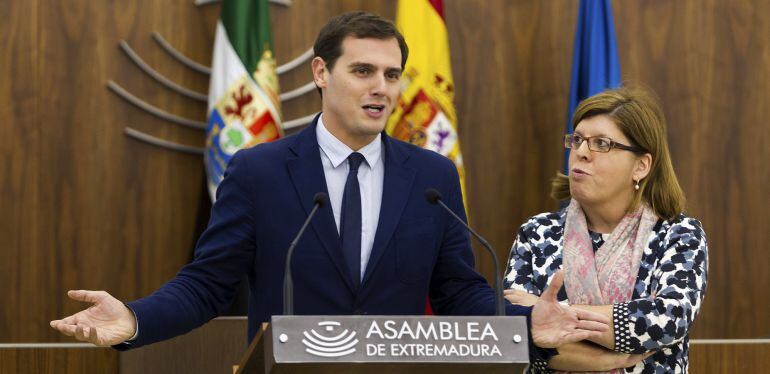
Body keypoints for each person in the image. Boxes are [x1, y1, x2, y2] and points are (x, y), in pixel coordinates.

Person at [50, 11, 608, 358]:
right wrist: (135, 319)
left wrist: (526, 321)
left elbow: (457, 292)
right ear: (321, 73)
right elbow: (207, 286)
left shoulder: (432, 177)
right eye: (362, 71)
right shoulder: (259, 171)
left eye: (392, 75)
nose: (382, 89)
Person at [503, 87, 708, 373]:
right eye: (577, 140)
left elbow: (666, 319)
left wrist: (549, 316)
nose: (581, 153)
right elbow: (514, 334)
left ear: (641, 166)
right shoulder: (537, 233)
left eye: (601, 143)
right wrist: (613, 343)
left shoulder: (678, 234)